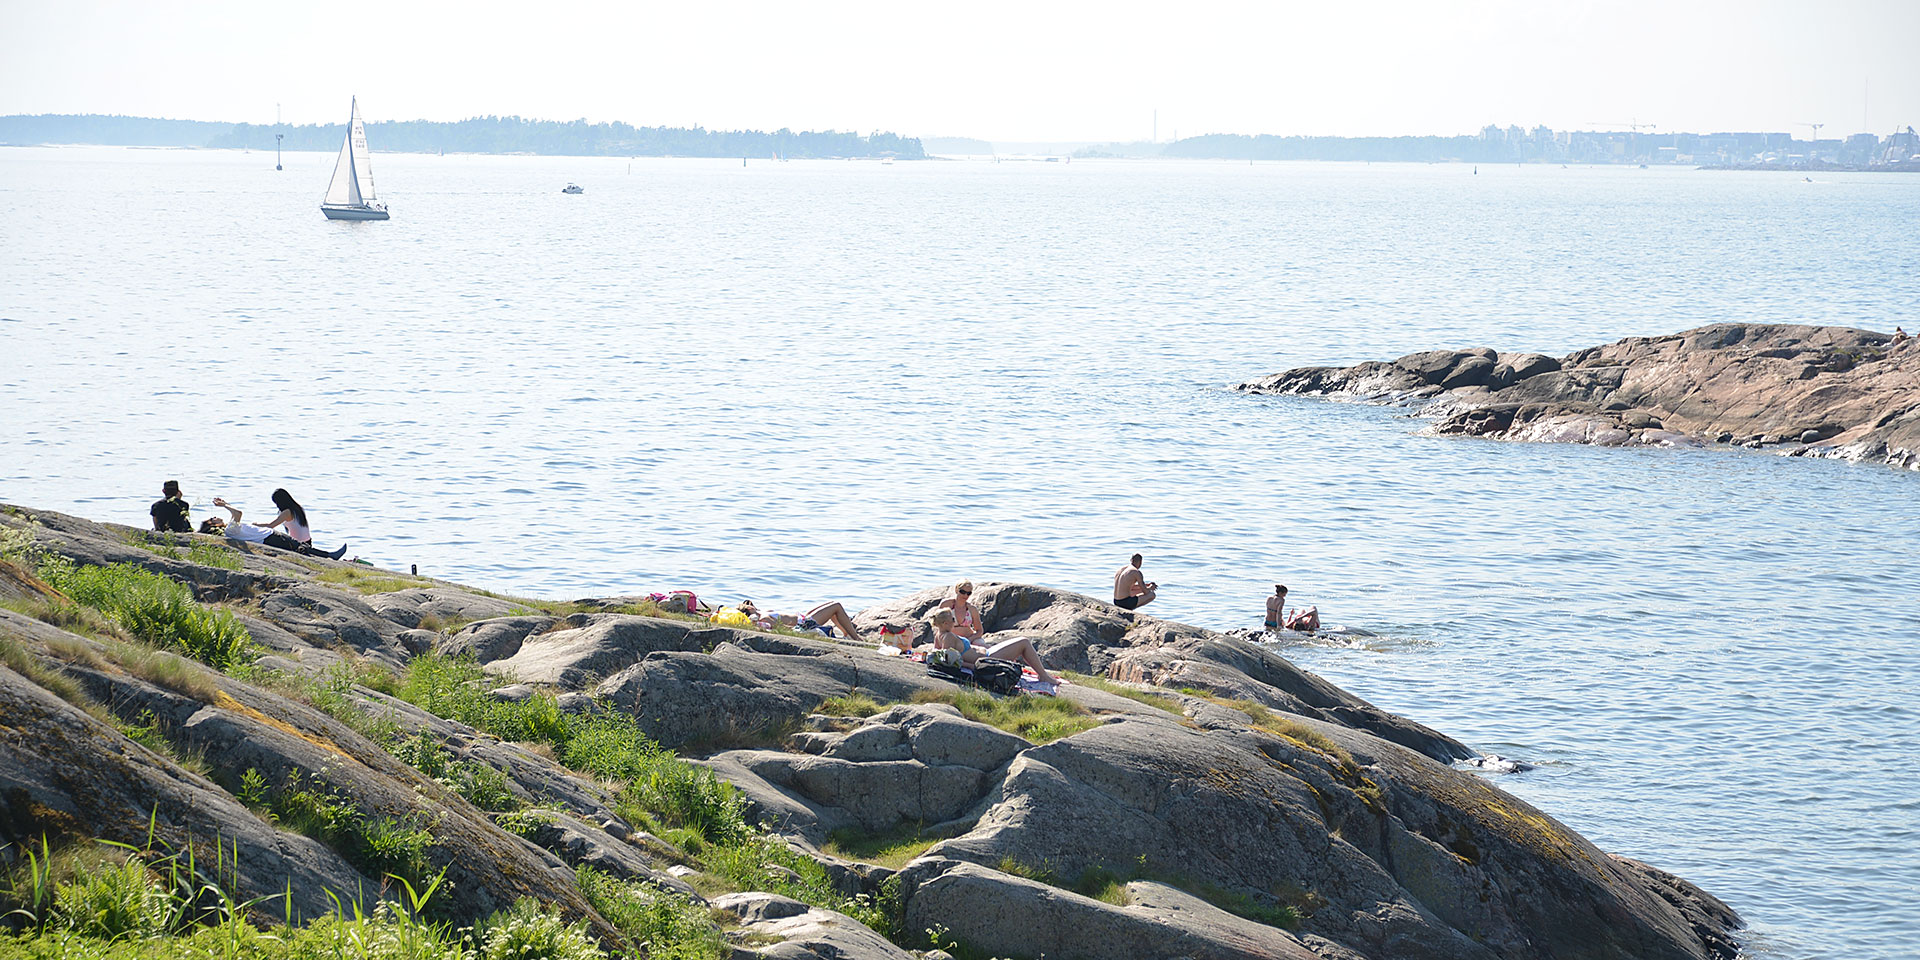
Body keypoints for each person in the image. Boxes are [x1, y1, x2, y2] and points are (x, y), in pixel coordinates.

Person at [925, 607, 1057, 685]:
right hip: (988, 659)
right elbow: (951, 662)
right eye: (952, 619)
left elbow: (937, 653)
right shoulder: (948, 637)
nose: (955, 621)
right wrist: (974, 667)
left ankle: (1042, 674)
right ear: (944, 623)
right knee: (1024, 642)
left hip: (987, 654)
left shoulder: (939, 634)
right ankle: (1043, 676)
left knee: (1019, 644)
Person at [205, 497, 348, 559]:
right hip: (268, 538)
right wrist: (224, 505)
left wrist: (226, 504)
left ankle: (328, 555)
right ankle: (330, 556)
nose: (215, 517)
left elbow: (235, 515)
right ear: (213, 525)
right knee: (299, 548)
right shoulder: (229, 530)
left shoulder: (230, 529)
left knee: (300, 547)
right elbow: (238, 513)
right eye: (212, 519)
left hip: (269, 535)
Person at [739, 599, 864, 644]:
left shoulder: (762, 614)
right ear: (750, 608)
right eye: (753, 606)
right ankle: (856, 638)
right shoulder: (763, 618)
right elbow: (781, 628)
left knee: (832, 605)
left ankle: (847, 635)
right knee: (836, 606)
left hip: (803, 619)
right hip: (805, 624)